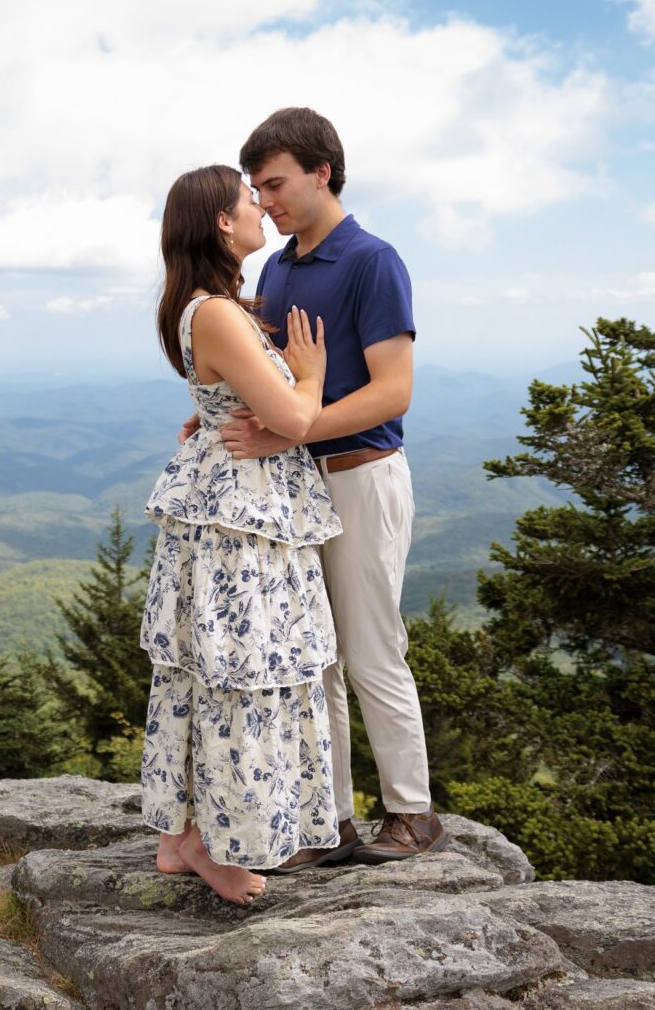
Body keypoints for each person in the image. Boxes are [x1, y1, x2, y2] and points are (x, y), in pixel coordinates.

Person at [181, 107, 445, 870]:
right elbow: (261, 375)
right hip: (297, 488)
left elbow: (393, 392)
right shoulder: (279, 267)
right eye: (257, 190)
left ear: (322, 171)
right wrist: (209, 417)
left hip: (361, 475)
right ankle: (326, 820)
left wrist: (294, 428)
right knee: (312, 656)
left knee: (369, 650)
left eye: (275, 184)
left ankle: (413, 813)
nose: (264, 202)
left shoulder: (373, 260)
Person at [140, 164, 344, 904]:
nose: (261, 208)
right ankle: (207, 842)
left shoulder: (200, 306)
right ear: (222, 224)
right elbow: (292, 420)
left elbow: (228, 394)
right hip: (242, 513)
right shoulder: (218, 312)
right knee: (242, 670)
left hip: (220, 501)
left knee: (210, 667)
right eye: (247, 200)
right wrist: (310, 375)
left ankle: (178, 837)